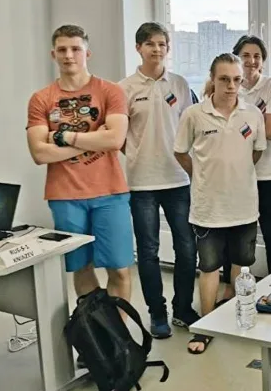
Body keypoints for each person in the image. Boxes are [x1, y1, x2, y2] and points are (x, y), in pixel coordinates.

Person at [26, 24, 133, 312]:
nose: (69, 55)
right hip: (65, 196)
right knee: (81, 267)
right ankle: (95, 328)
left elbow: (115, 139)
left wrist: (62, 137)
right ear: (53, 54)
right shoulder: (41, 98)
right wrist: (95, 139)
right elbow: (39, 153)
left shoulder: (110, 91)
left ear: (87, 53)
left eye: (75, 49)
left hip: (110, 193)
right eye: (62, 50)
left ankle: (118, 335)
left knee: (120, 269)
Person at [174, 53, 266, 354]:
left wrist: (236, 173)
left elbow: (256, 152)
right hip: (208, 208)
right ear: (212, 79)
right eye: (224, 79)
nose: (231, 86)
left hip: (244, 206)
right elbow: (180, 152)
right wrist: (200, 175)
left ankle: (236, 319)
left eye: (237, 80)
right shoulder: (194, 114)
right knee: (210, 267)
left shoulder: (252, 114)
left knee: (241, 263)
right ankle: (205, 327)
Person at [119, 22, 199, 338]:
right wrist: (138, 154)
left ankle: (183, 309)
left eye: (162, 44)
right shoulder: (124, 88)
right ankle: (157, 313)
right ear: (138, 48)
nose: (157, 49)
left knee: (187, 248)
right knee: (148, 252)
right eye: (150, 44)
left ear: (168, 48)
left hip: (178, 179)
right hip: (142, 183)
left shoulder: (179, 84)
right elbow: (120, 136)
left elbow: (192, 128)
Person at [213, 35, 271, 304]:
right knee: (232, 236)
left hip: (265, 174)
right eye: (245, 55)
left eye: (257, 56)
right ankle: (230, 289)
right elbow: (218, 130)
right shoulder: (225, 85)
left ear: (263, 61)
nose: (251, 61)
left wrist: (238, 126)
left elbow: (269, 132)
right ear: (236, 58)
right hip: (232, 175)